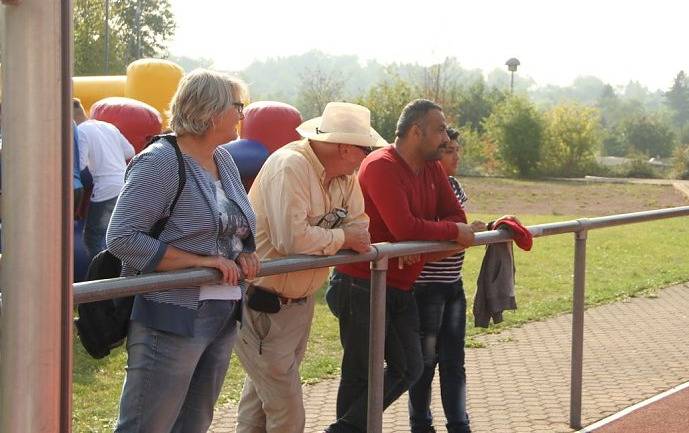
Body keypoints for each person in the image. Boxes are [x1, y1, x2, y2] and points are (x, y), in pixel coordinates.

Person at [106, 68, 260, 433]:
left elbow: (229, 224)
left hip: (222, 312)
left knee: (194, 425)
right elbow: (122, 236)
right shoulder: (161, 160)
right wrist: (200, 262)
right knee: (146, 426)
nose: (242, 115)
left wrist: (241, 252)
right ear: (209, 109)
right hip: (170, 315)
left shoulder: (223, 159)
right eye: (237, 106)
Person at [324, 99, 478, 433]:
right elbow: (409, 227)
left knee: (410, 366)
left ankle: (342, 430)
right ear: (415, 131)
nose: (444, 139)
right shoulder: (381, 165)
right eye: (439, 130)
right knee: (359, 373)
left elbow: (455, 215)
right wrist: (444, 234)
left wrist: (416, 247)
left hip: (401, 283)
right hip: (360, 283)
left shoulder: (433, 167)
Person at [233, 102, 384, 433]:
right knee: (287, 414)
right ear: (345, 147)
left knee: (260, 406)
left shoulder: (344, 177)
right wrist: (342, 236)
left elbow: (362, 228)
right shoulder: (291, 166)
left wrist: (340, 236)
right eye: (364, 148)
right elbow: (293, 240)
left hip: (296, 307)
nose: (366, 155)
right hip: (263, 305)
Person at [408, 127, 483, 433]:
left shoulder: (453, 185)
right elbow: (426, 235)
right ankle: (421, 424)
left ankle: (458, 424)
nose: (456, 156)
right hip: (426, 289)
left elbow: (455, 225)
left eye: (457, 150)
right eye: (449, 151)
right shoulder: (420, 183)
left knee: (454, 362)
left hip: (453, 286)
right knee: (424, 365)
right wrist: (461, 236)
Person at [74, 98, 135, 261]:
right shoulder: (108, 126)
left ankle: (102, 278)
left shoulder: (80, 131)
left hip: (106, 189)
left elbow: (79, 165)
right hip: (125, 184)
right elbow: (130, 151)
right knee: (115, 236)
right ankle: (120, 274)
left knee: (91, 238)